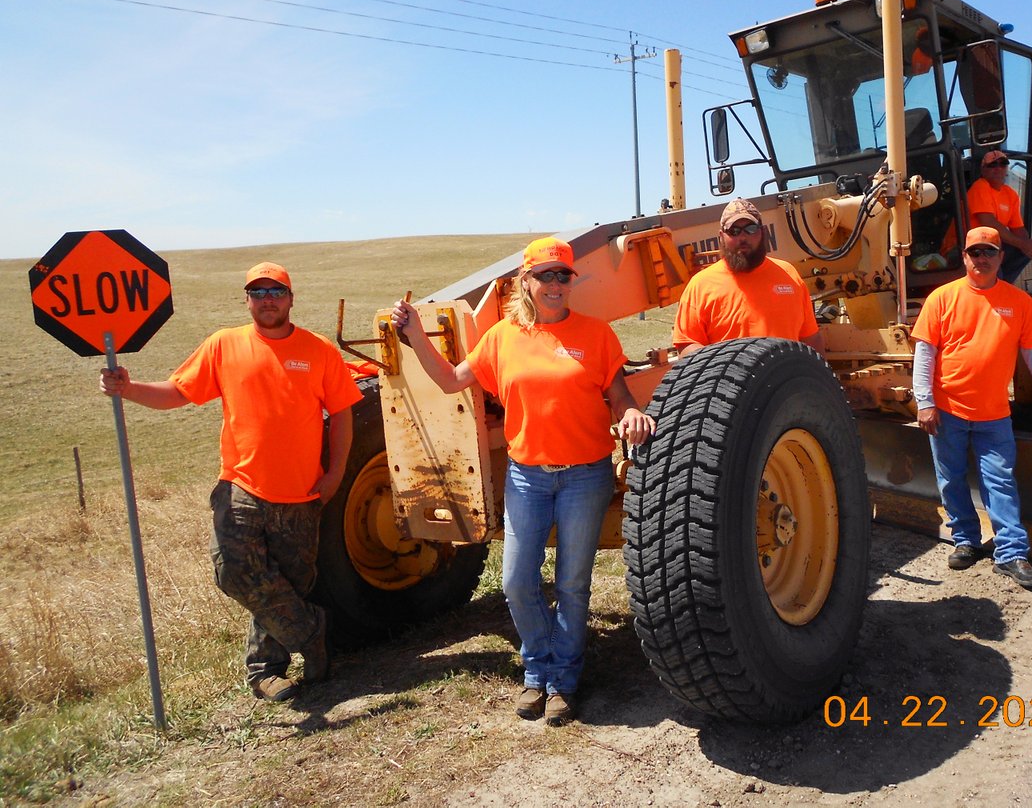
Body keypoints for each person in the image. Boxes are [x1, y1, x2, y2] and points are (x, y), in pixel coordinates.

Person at [390, 237, 654, 726]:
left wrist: (634, 413)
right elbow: (450, 381)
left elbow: (619, 396)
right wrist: (415, 338)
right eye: (544, 275)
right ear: (524, 283)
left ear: (571, 282)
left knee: (573, 585)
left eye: (562, 275)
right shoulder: (503, 337)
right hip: (528, 477)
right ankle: (537, 668)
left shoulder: (596, 335)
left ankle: (563, 682)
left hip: (585, 477)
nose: (554, 284)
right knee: (516, 581)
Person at [99, 262, 363, 703]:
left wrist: (335, 473)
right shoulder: (224, 345)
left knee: (286, 583)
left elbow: (341, 414)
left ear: (291, 298)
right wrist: (128, 388)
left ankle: (266, 671)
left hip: (302, 493)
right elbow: (177, 392)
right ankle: (311, 630)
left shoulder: (317, 350)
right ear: (247, 301)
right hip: (241, 485)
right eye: (257, 292)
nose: (267, 299)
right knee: (234, 572)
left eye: (276, 291)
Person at [911, 227, 1032, 589]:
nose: (982, 258)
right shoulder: (941, 299)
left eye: (989, 251)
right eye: (975, 252)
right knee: (951, 479)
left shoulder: (1020, 303)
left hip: (994, 415)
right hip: (947, 410)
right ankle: (966, 540)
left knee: (1000, 481)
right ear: (965, 257)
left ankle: (1011, 553)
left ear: (1001, 257)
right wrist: (925, 401)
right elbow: (924, 354)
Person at [673, 198, 823, 356]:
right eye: (734, 231)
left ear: (763, 232)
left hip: (785, 379)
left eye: (750, 229)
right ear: (721, 236)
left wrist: (821, 377)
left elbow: (811, 338)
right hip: (728, 380)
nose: (742, 237)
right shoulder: (700, 285)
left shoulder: (789, 275)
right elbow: (687, 344)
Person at [965, 149, 1032, 283]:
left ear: (1007, 168)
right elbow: (988, 223)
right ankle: (995, 286)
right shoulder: (979, 187)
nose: (998, 168)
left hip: (991, 245)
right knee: (994, 259)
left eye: (1003, 164)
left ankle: (1004, 287)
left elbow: (1018, 228)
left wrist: (1028, 245)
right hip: (970, 246)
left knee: (1023, 251)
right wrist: (1022, 244)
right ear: (983, 170)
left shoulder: (1010, 194)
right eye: (992, 165)